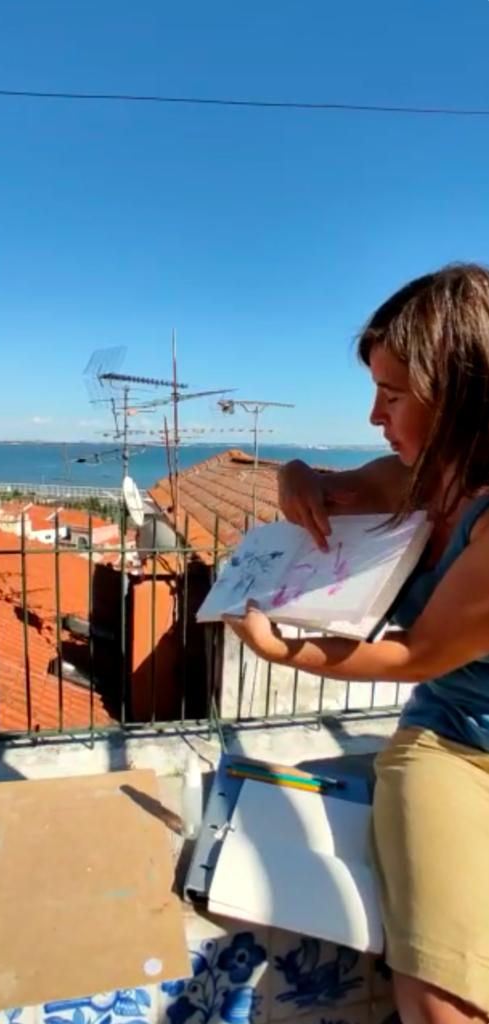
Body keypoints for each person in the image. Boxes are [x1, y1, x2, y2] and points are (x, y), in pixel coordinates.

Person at [224, 263, 489, 1024]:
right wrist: (297, 477)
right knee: (441, 998)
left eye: (395, 395)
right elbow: (325, 482)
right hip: (453, 745)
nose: (375, 415)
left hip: (441, 701)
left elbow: (417, 654)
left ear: (465, 392)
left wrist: (280, 652)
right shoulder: (418, 476)